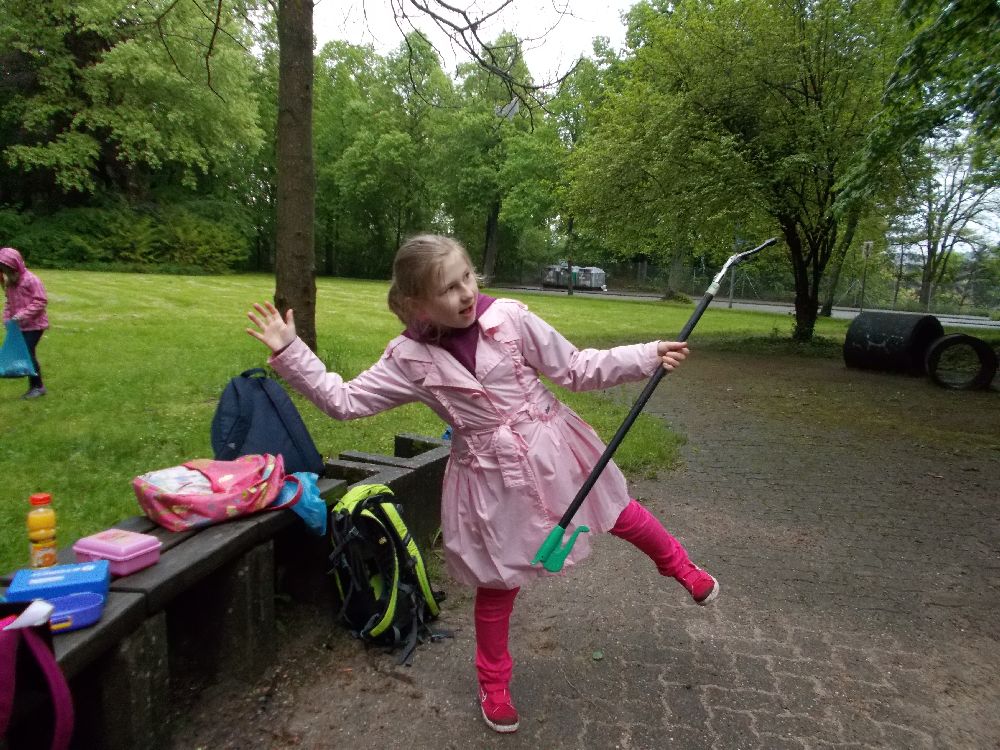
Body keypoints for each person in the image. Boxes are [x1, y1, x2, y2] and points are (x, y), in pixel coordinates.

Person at [246, 234, 719, 734]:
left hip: (552, 445)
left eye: (467, 277)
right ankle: (494, 683)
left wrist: (647, 355)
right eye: (448, 288)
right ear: (416, 303)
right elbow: (344, 402)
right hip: (490, 477)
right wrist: (291, 351)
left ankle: (681, 567)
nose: (466, 293)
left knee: (617, 510)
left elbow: (576, 368)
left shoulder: (510, 318)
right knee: (498, 580)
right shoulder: (407, 359)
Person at [1, 247, 49, 399]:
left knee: (27, 353)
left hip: (35, 325)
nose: (6, 272)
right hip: (20, 326)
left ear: (15, 265)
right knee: (28, 353)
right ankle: (35, 386)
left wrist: (21, 315)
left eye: (8, 269)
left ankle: (38, 387)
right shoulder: (10, 283)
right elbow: (9, 303)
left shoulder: (31, 280)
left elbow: (41, 301)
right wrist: (7, 318)